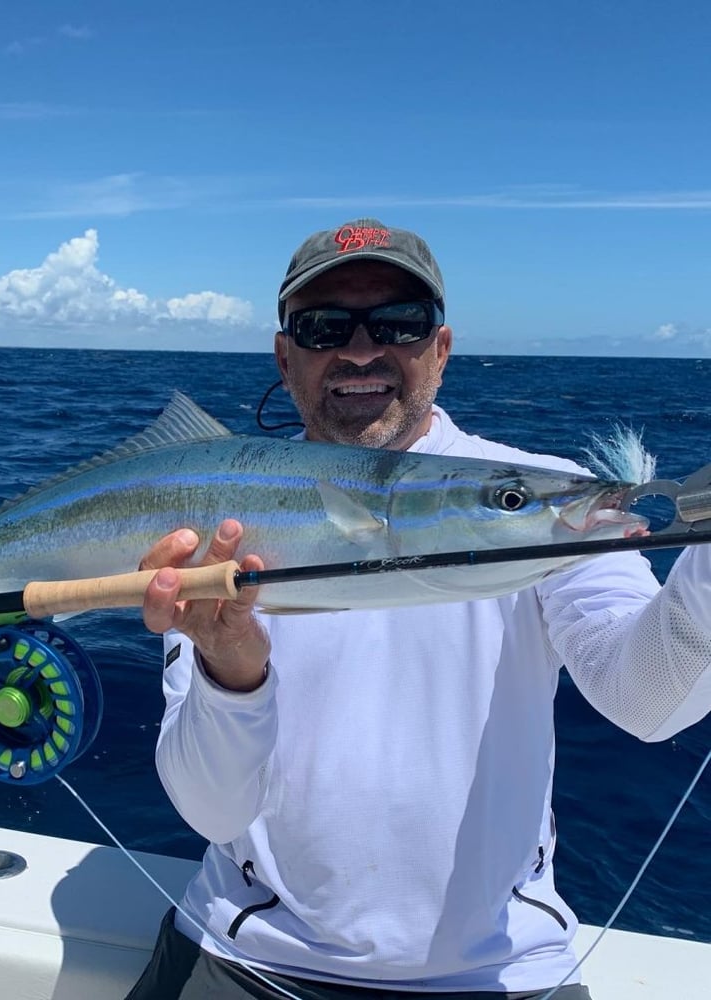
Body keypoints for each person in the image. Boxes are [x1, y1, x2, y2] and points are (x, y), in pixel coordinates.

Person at [123, 218, 711, 999]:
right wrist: (230, 668)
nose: (362, 351)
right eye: (326, 326)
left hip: (503, 976)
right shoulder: (212, 520)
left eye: (398, 323)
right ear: (284, 356)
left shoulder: (539, 495)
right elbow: (210, 808)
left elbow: (649, 698)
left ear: (440, 347)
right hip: (245, 958)